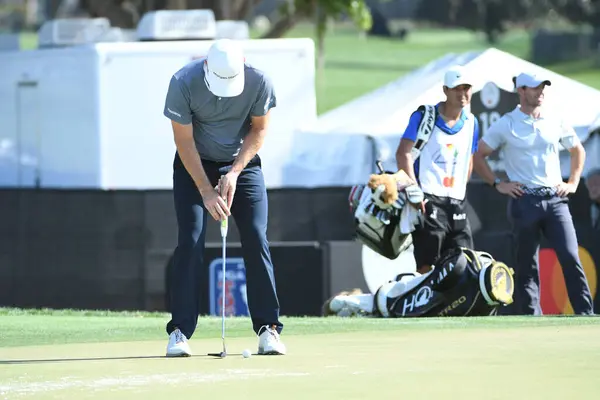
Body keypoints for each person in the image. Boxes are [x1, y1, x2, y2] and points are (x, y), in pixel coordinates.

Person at [162, 39, 286, 357]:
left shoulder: (259, 81)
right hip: (194, 166)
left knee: (257, 236)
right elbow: (184, 142)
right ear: (206, 67)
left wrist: (233, 173)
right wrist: (205, 189)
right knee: (190, 240)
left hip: (242, 165)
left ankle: (268, 329)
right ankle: (179, 331)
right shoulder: (182, 83)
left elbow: (258, 130)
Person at [473, 72, 594, 316]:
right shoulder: (507, 123)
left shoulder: (554, 118)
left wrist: (572, 182)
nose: (540, 92)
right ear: (521, 90)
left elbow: (577, 150)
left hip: (556, 200)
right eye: (534, 88)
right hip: (524, 201)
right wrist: (498, 184)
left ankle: (585, 314)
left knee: (571, 256)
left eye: (542, 87)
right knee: (527, 265)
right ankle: (531, 317)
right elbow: (478, 156)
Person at [396, 65, 479, 274]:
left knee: (464, 261)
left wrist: (460, 188)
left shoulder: (472, 122)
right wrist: (413, 192)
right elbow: (403, 153)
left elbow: (469, 158)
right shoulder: (425, 116)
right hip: (428, 199)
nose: (462, 94)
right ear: (445, 90)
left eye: (466, 88)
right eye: (456, 88)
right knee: (428, 264)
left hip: (457, 201)